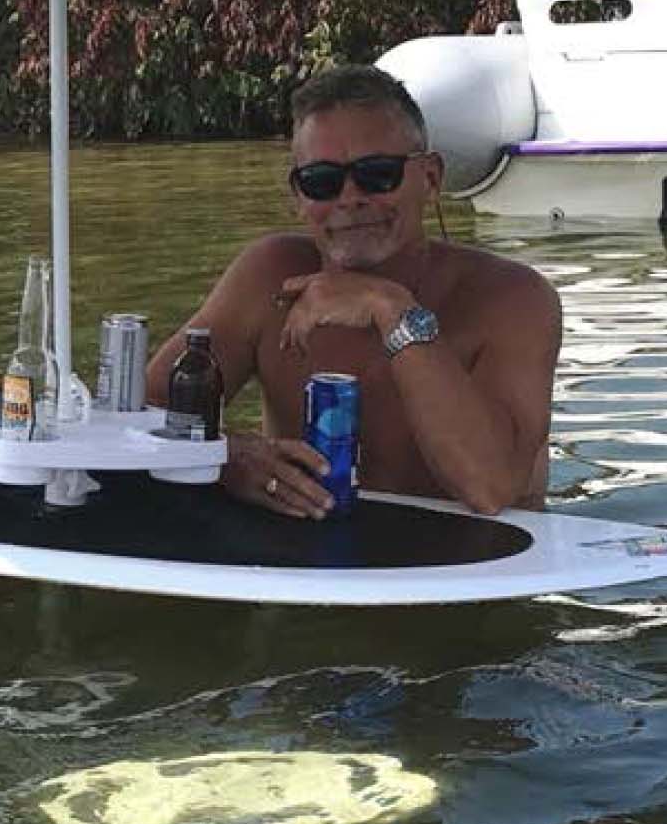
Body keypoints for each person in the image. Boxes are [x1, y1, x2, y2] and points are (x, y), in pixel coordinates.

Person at [148, 66, 560, 518]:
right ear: (298, 195)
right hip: (315, 568)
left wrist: (390, 308)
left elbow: (490, 487)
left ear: (430, 178)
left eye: (377, 174)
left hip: (473, 574)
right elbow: (135, 411)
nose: (350, 198)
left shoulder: (514, 298)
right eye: (322, 181)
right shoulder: (269, 277)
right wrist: (227, 455)